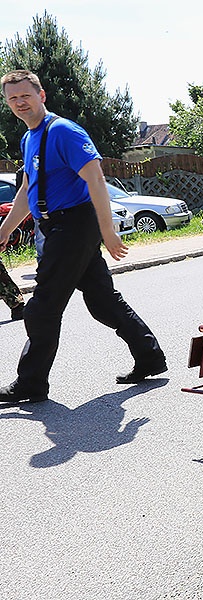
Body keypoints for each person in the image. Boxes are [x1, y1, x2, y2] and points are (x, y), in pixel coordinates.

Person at [0, 69, 166, 404]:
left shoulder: (63, 131)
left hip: (73, 225)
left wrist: (108, 231)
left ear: (41, 95)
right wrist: (5, 230)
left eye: (25, 96)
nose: (20, 103)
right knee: (103, 302)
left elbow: (95, 178)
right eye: (12, 98)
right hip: (58, 226)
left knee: (42, 306)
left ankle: (30, 383)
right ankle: (150, 357)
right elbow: (28, 189)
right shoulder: (30, 137)